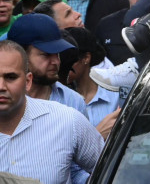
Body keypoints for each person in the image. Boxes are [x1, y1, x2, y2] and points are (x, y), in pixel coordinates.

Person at [0, 40, 103, 183]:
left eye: (10, 77)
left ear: (28, 81)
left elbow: (112, 171)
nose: (1, 86)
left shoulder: (67, 121)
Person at [63, 27, 120, 128]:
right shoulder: (58, 98)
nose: (62, 64)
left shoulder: (116, 97)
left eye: (69, 58)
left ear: (86, 58)